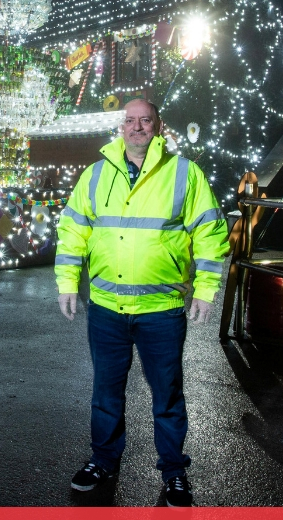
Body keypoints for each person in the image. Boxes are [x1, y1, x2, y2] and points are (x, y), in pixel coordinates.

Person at [55, 98, 230, 507]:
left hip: (161, 311)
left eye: (144, 120)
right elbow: (72, 230)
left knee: (167, 395)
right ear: (121, 127)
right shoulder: (95, 175)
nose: (137, 128)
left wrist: (205, 289)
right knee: (105, 393)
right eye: (130, 121)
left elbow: (210, 233)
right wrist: (66, 282)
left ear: (157, 125)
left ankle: (174, 472)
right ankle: (103, 461)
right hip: (106, 310)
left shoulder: (185, 174)